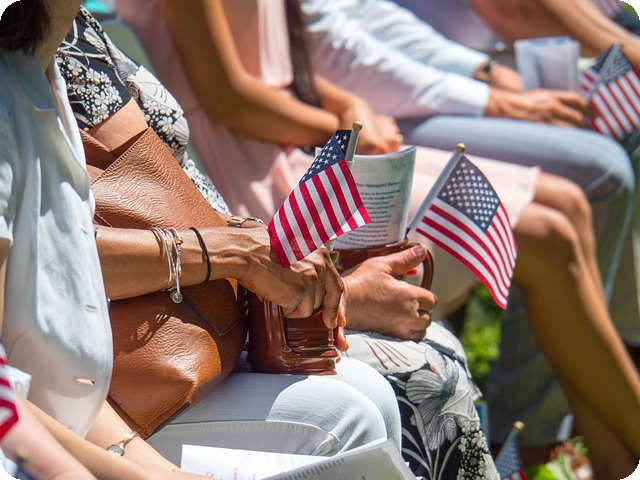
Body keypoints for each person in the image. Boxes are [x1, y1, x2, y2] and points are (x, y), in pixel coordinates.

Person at [112, 0, 640, 477]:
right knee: (548, 234)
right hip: (260, 168)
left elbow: (296, 60)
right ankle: (603, 447)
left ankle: (609, 453)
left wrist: (347, 105)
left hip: (301, 138)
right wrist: (336, 127)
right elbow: (229, 97)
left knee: (566, 210)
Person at [57, 7, 496, 478]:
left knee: (431, 358)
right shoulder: (31, 51)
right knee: (403, 385)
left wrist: (273, 259)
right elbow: (53, 256)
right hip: (150, 352)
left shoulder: (71, 26)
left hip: (219, 310)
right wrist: (305, 283)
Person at [0, 1, 402, 479]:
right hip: (117, 389)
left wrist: (258, 246)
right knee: (348, 416)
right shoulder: (15, 91)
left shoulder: (40, 68)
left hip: (119, 392)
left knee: (375, 397)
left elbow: (64, 376)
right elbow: (24, 381)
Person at [298, 0, 640, 461]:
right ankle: (531, 441)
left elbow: (358, 22)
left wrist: (485, 76)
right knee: (569, 210)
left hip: (380, 100)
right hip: (334, 135)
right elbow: (301, 61)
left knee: (568, 207)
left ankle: (604, 450)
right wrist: (487, 93)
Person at [392, 0, 640, 68]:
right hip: (476, 62)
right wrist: (631, 54)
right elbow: (513, 13)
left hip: (511, 47)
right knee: (606, 163)